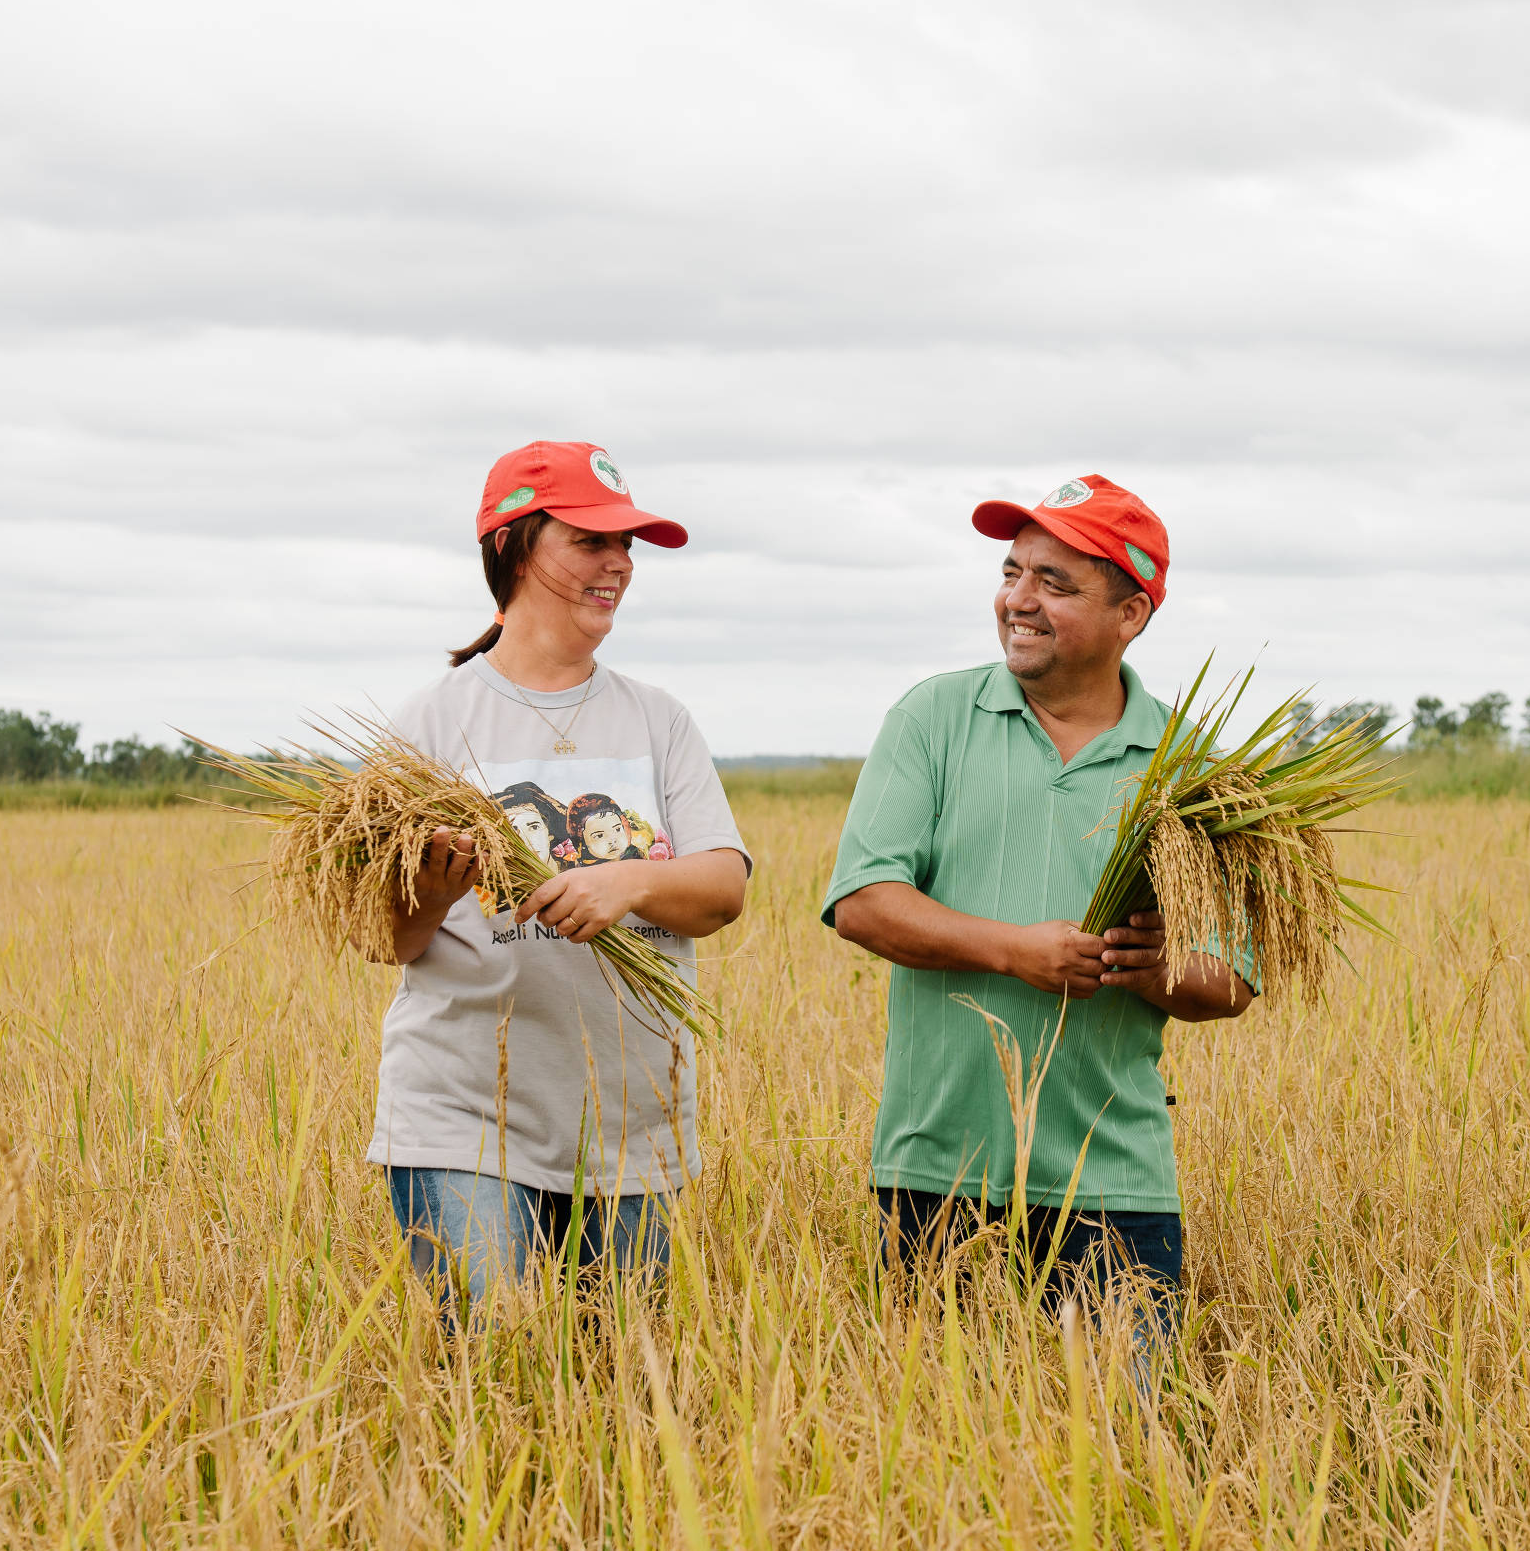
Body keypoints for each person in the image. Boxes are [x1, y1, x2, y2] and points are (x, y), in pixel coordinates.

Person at [820, 474, 1255, 1342]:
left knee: (1121, 1452)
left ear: (1131, 614)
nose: (1019, 600)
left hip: (1114, 1187)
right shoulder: (934, 718)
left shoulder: (1187, 767)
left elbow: (1231, 980)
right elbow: (864, 903)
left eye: (1055, 584)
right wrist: (1016, 950)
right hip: (936, 1170)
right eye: (1013, 573)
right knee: (938, 1460)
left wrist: (1159, 971)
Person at [370, 440, 750, 1306]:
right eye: (590, 541)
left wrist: (627, 884)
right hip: (464, 1117)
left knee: (620, 1396)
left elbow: (724, 888)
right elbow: (385, 937)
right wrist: (433, 891)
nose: (618, 563)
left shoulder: (657, 719)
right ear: (513, 545)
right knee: (499, 1372)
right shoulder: (431, 723)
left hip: (634, 1126)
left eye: (627, 546)